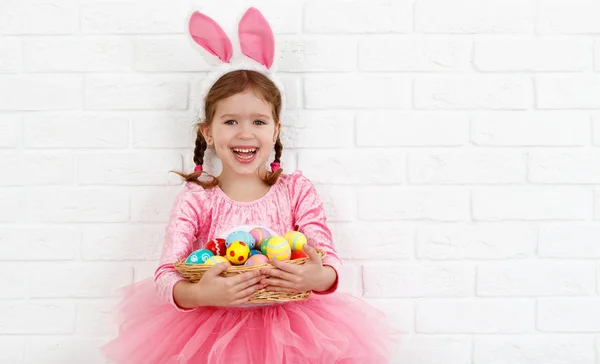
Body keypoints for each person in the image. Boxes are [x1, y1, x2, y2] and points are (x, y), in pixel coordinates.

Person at [101, 7, 397, 364]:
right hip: (209, 333)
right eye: (230, 121)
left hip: (294, 333)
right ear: (208, 133)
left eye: (258, 121)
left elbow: (328, 261)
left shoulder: (295, 190)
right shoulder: (198, 199)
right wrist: (201, 294)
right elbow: (166, 273)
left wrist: (316, 277)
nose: (245, 133)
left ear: (275, 131)